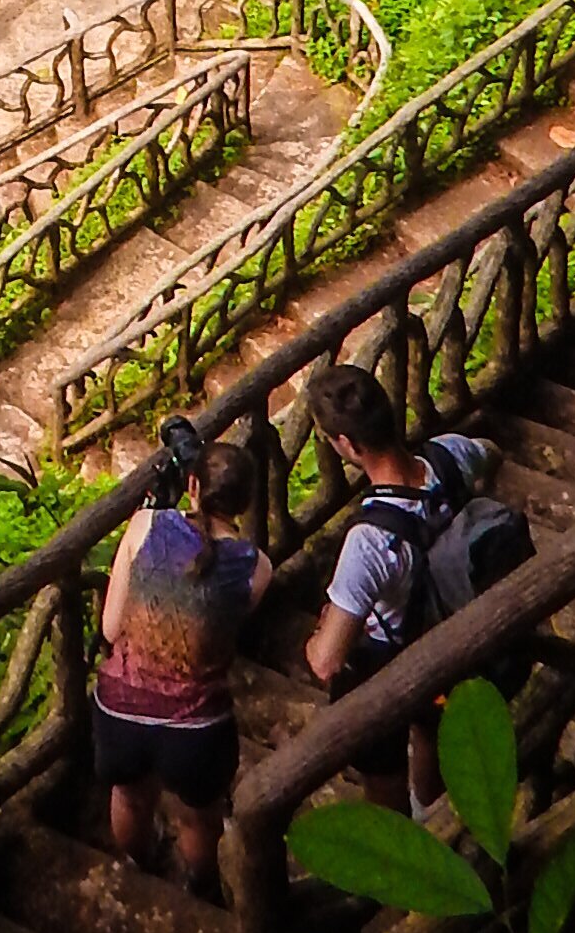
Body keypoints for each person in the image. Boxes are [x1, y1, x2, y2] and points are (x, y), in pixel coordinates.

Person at [300, 363, 508, 805]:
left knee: (382, 771)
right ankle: (433, 805)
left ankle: (402, 820)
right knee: (434, 725)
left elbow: (327, 663)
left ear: (347, 445)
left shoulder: (370, 542)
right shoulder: (449, 454)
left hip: (392, 662)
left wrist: (315, 641)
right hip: (455, 633)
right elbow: (491, 452)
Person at [91, 434, 273, 895]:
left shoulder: (144, 527)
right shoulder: (256, 566)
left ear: (191, 484)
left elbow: (111, 630)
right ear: (247, 502)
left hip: (119, 709)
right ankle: (201, 884)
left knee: (129, 797)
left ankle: (139, 862)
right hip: (196, 727)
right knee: (199, 815)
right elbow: (228, 621)